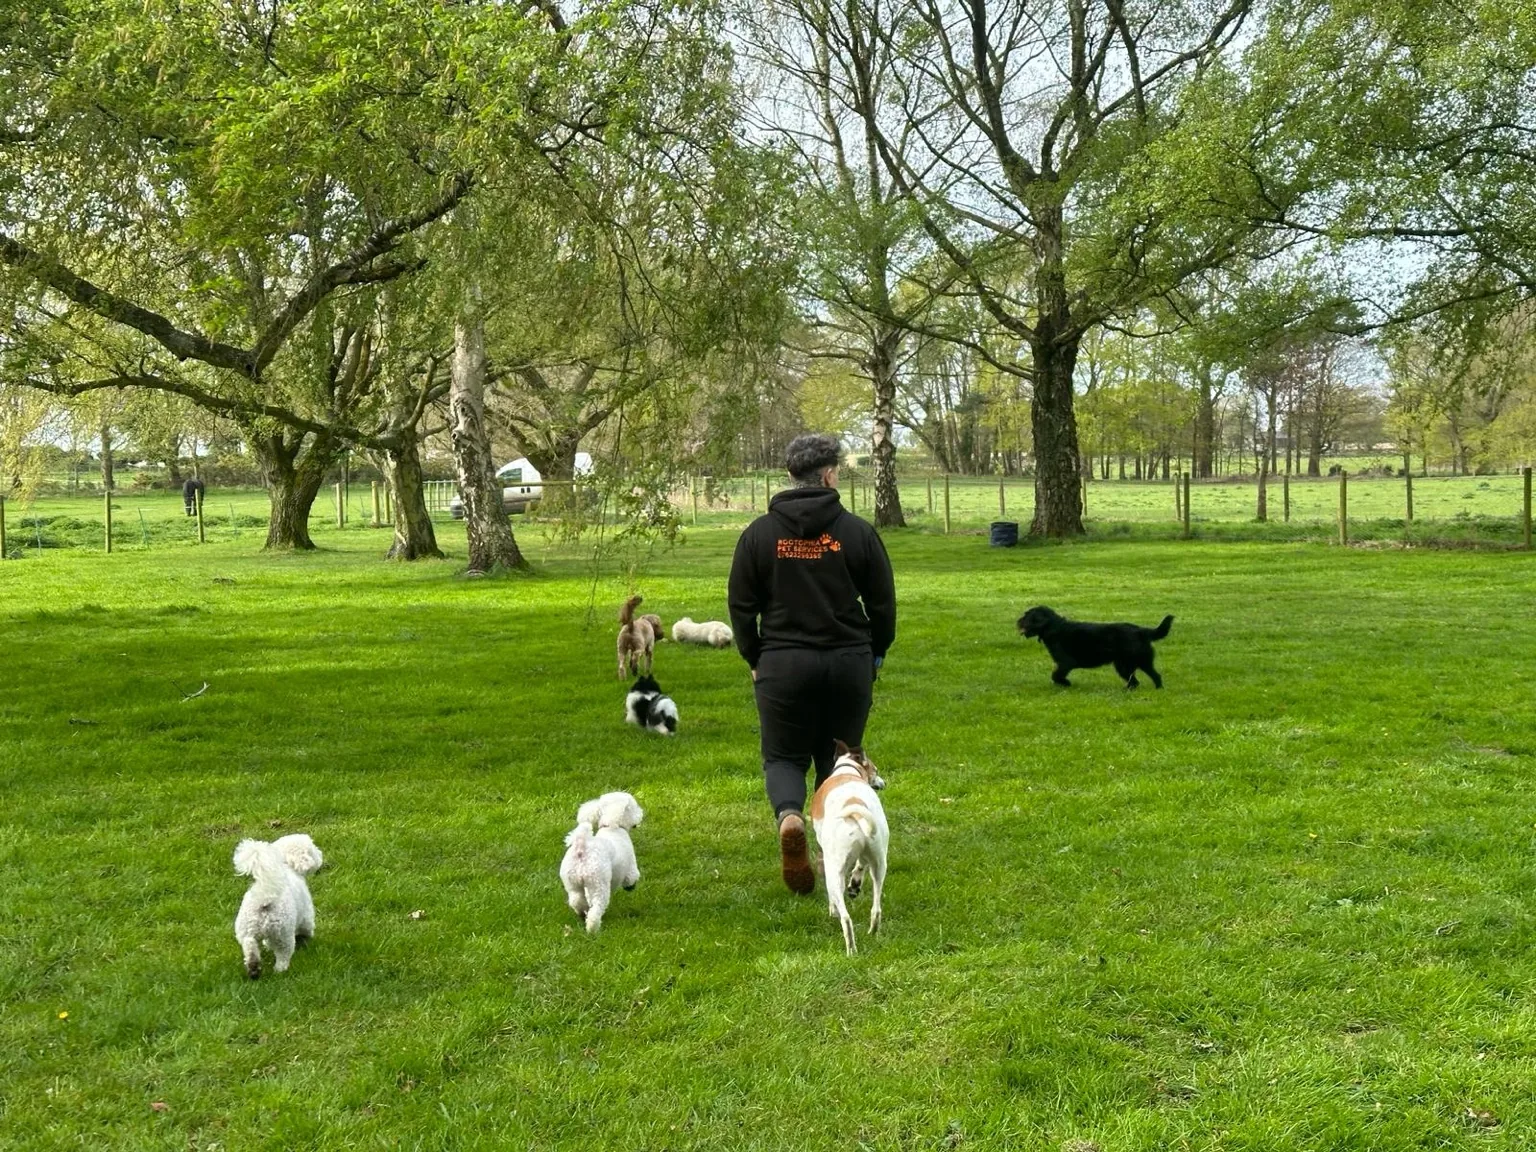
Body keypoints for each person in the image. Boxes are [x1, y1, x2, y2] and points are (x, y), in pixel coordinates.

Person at [727, 433, 896, 895]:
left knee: (783, 755)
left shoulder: (758, 536)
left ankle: (789, 817)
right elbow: (882, 603)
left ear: (790, 475)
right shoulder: (857, 532)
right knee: (837, 757)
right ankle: (833, 850)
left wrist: (754, 655)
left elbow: (741, 606)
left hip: (783, 663)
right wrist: (876, 652)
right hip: (847, 662)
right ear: (829, 475)